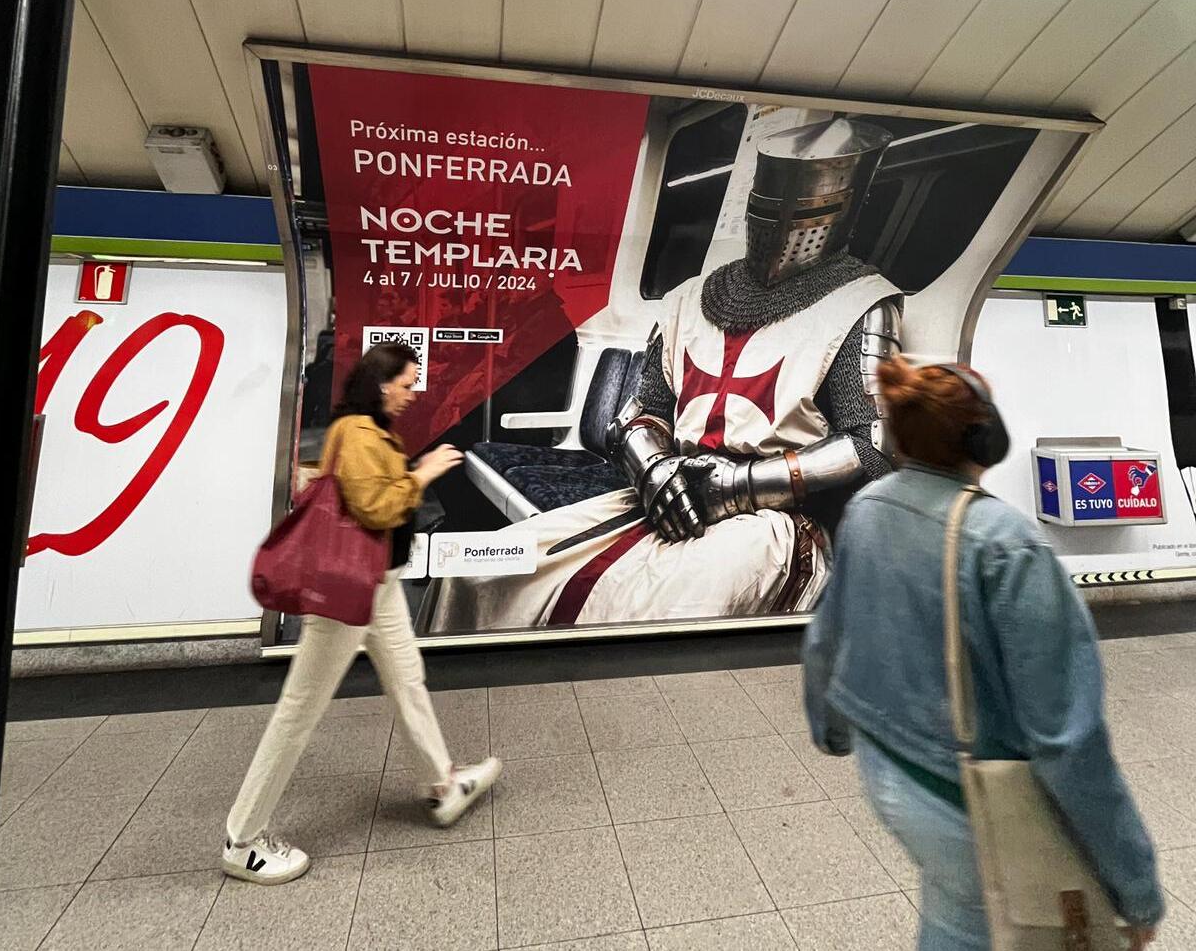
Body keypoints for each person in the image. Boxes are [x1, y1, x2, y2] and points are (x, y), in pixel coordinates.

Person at [432, 117, 904, 632]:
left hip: (773, 522)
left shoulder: (861, 305)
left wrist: (734, 485)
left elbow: (871, 444)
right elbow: (640, 412)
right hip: (662, 490)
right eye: (765, 207)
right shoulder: (688, 300)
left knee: (640, 614)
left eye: (809, 209)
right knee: (482, 570)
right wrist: (654, 470)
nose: (779, 225)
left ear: (844, 210)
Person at [803, 355, 1163, 950]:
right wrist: (1136, 886)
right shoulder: (1006, 545)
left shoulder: (868, 507)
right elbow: (1066, 738)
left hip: (885, 768)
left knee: (956, 917)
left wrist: (832, 729)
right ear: (985, 438)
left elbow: (826, 639)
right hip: (963, 800)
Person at [221, 341, 501, 885]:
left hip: (381, 584)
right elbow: (375, 506)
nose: (412, 392)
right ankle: (243, 838)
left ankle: (443, 786)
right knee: (300, 709)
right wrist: (422, 474)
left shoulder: (369, 430)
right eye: (407, 382)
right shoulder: (356, 432)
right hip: (353, 592)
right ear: (381, 384)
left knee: (408, 682)